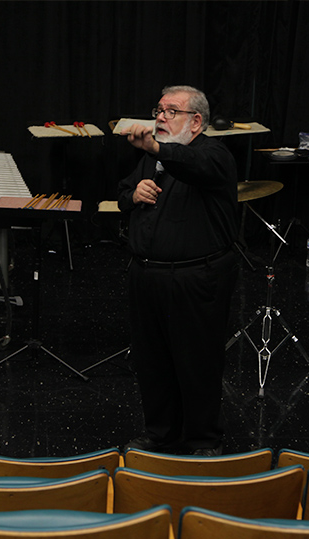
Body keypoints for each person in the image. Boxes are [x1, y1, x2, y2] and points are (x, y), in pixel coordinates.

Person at [117, 85, 239, 456]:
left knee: (197, 363)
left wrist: (156, 148)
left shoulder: (214, 155)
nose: (159, 117)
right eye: (158, 110)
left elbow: (191, 166)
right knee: (152, 361)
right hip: (146, 275)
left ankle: (202, 440)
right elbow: (123, 192)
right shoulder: (152, 156)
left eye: (171, 111)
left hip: (195, 279)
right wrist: (133, 194)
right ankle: (161, 433)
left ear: (197, 121)